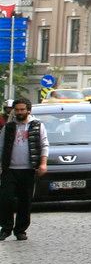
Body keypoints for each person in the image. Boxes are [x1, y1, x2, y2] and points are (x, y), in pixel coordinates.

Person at [2, 97, 48, 242]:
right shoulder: (8, 127)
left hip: (28, 170)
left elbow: (44, 145)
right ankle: (6, 228)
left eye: (22, 110)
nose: (20, 112)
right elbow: (1, 147)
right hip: (9, 169)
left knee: (25, 201)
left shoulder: (37, 125)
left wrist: (43, 164)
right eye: (17, 110)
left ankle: (20, 230)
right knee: (5, 199)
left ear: (28, 110)